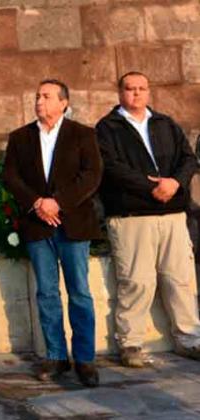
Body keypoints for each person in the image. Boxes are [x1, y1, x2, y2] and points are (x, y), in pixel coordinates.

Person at [97, 71, 200, 367]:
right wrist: (152, 186)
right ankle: (130, 343)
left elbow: (188, 158)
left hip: (172, 214)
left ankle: (189, 338)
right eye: (130, 89)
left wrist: (175, 183)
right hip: (133, 214)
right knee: (136, 281)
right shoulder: (107, 128)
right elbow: (112, 168)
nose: (136, 94)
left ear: (149, 91)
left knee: (179, 278)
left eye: (142, 88)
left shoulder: (165, 123)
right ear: (120, 92)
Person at [3, 80, 102, 387]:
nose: (39, 101)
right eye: (37, 96)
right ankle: (56, 356)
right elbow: (11, 176)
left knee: (79, 292)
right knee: (46, 293)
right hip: (37, 226)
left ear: (63, 103)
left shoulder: (82, 134)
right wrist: (37, 204)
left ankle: (84, 358)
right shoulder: (21, 137)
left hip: (73, 224)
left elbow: (92, 175)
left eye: (46, 96)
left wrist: (58, 203)